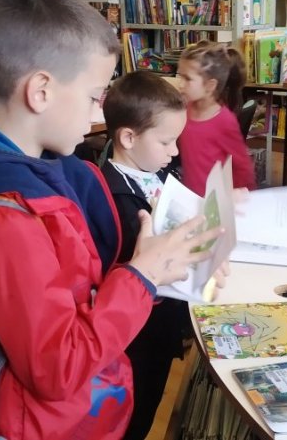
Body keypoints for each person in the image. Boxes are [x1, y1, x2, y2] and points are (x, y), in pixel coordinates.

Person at [0, 0, 223, 440]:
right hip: (37, 424)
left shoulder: (48, 171)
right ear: (41, 91)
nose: (99, 110)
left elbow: (74, 290)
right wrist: (142, 276)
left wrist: (154, 270)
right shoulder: (0, 221)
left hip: (75, 413)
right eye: (93, 95)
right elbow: (57, 366)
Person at [99, 71, 194, 440]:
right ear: (128, 138)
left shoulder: (155, 171)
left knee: (151, 400)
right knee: (135, 417)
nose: (175, 151)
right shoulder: (116, 198)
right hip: (139, 338)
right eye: (167, 141)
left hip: (160, 326)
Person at [176, 40, 257, 195]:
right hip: (191, 196)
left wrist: (246, 198)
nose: (180, 84)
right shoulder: (184, 110)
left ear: (210, 85)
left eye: (187, 79)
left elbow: (242, 165)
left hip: (215, 201)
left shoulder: (224, 121)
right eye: (180, 76)